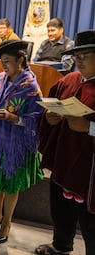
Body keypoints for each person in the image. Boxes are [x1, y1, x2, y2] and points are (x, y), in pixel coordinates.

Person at [0, 40, 44, 244]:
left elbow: (37, 118)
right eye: (2, 62)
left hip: (14, 144)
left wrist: (14, 118)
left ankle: (7, 223)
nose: (3, 66)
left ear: (21, 60)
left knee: (10, 184)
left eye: (7, 61)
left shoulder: (30, 85)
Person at [35, 30, 95, 255]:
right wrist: (50, 119)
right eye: (76, 55)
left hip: (90, 170)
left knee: (90, 222)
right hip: (65, 159)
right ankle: (61, 245)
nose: (78, 60)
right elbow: (51, 109)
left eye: (85, 55)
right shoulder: (68, 80)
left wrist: (88, 127)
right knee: (61, 210)